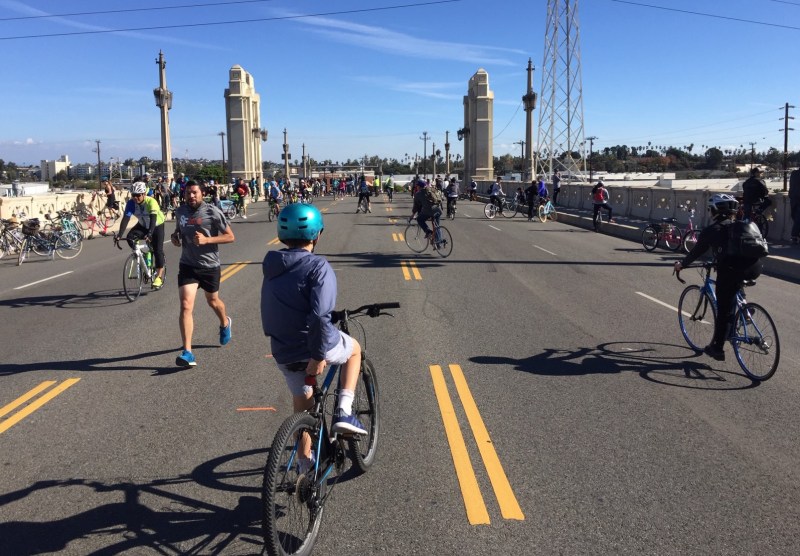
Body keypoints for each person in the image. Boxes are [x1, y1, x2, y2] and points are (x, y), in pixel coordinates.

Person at [261, 203, 368, 472]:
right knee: (354, 350)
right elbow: (321, 316)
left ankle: (304, 464)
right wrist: (319, 356)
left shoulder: (272, 265)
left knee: (304, 402)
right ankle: (344, 411)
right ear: (316, 234)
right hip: (312, 345)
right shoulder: (317, 266)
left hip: (283, 349)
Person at [673, 193, 763, 361]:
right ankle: (744, 310)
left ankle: (717, 348)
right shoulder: (741, 226)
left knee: (723, 310)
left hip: (731, 270)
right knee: (735, 284)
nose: (709, 212)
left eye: (710, 209)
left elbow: (696, 252)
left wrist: (682, 265)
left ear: (715, 211)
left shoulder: (711, 230)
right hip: (754, 268)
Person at [171, 181, 235, 367]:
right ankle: (187, 352)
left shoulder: (212, 211)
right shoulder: (180, 211)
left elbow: (230, 236)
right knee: (185, 305)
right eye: (188, 193)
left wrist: (207, 240)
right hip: (188, 265)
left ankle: (224, 322)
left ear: (202, 193)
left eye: (195, 193)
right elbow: (179, 231)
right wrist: (175, 238)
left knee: (213, 301)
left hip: (209, 266)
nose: (191, 196)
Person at [116, 181, 167, 289]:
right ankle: (142, 255)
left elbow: (153, 219)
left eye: (138, 195)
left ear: (144, 194)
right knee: (130, 237)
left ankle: (158, 277)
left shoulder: (151, 202)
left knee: (158, 250)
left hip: (157, 225)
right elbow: (125, 219)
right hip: (142, 225)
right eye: (133, 195)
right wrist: (119, 235)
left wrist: (150, 234)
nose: (135, 198)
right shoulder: (131, 203)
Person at [789, 168, 800, 244]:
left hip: (793, 199)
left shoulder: (793, 174)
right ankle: (794, 235)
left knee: (795, 217)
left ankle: (794, 236)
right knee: (798, 219)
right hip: (798, 198)